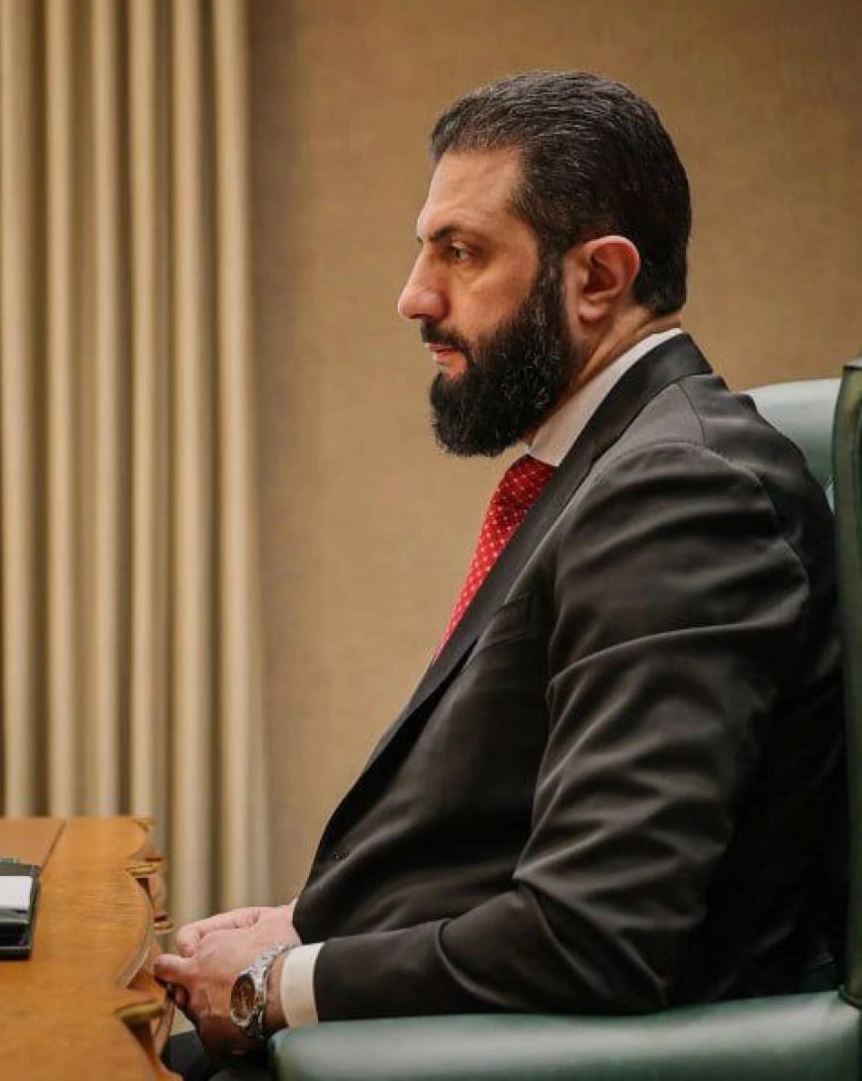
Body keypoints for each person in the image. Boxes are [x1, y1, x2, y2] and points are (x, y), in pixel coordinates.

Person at [155, 72, 845, 1078]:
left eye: (462, 251)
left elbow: (597, 929)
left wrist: (281, 981)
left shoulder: (681, 491)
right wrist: (308, 920)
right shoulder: (607, 468)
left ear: (599, 277)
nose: (414, 296)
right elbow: (499, 835)